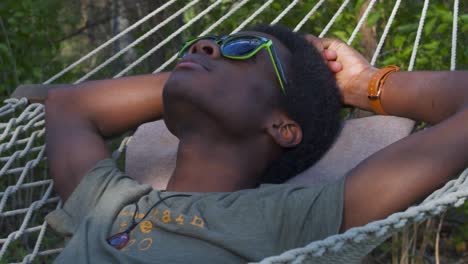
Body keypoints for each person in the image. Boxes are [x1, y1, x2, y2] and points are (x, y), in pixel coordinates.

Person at [44, 24, 468, 263]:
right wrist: (192, 75)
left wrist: (362, 85)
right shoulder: (110, 201)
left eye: (246, 48)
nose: (204, 44)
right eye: (206, 44)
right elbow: (68, 106)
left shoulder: (289, 219)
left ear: (283, 127)